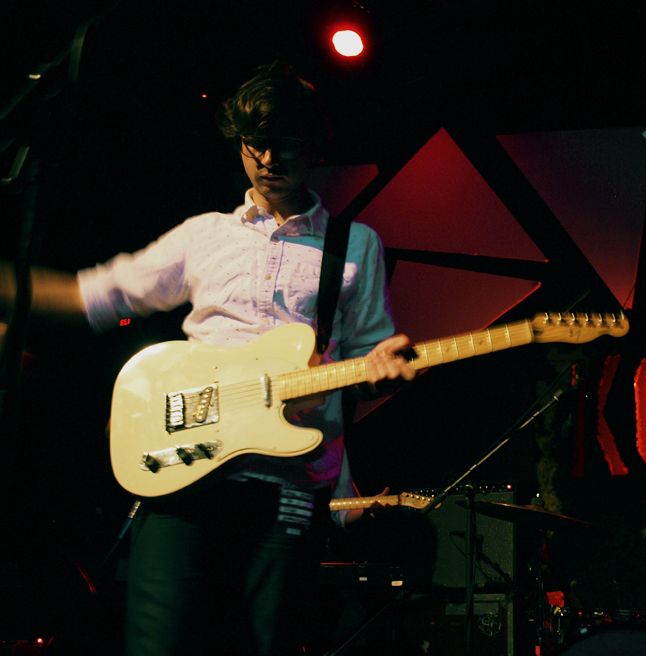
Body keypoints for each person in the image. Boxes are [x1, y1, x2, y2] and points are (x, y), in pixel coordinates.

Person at [0, 61, 416, 655]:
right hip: (183, 473)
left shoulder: (355, 245)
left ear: (316, 146)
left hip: (287, 486)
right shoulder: (205, 234)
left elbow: (369, 365)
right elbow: (95, 295)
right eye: (253, 144)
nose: (266, 159)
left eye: (283, 143)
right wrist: (10, 286)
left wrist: (383, 374)